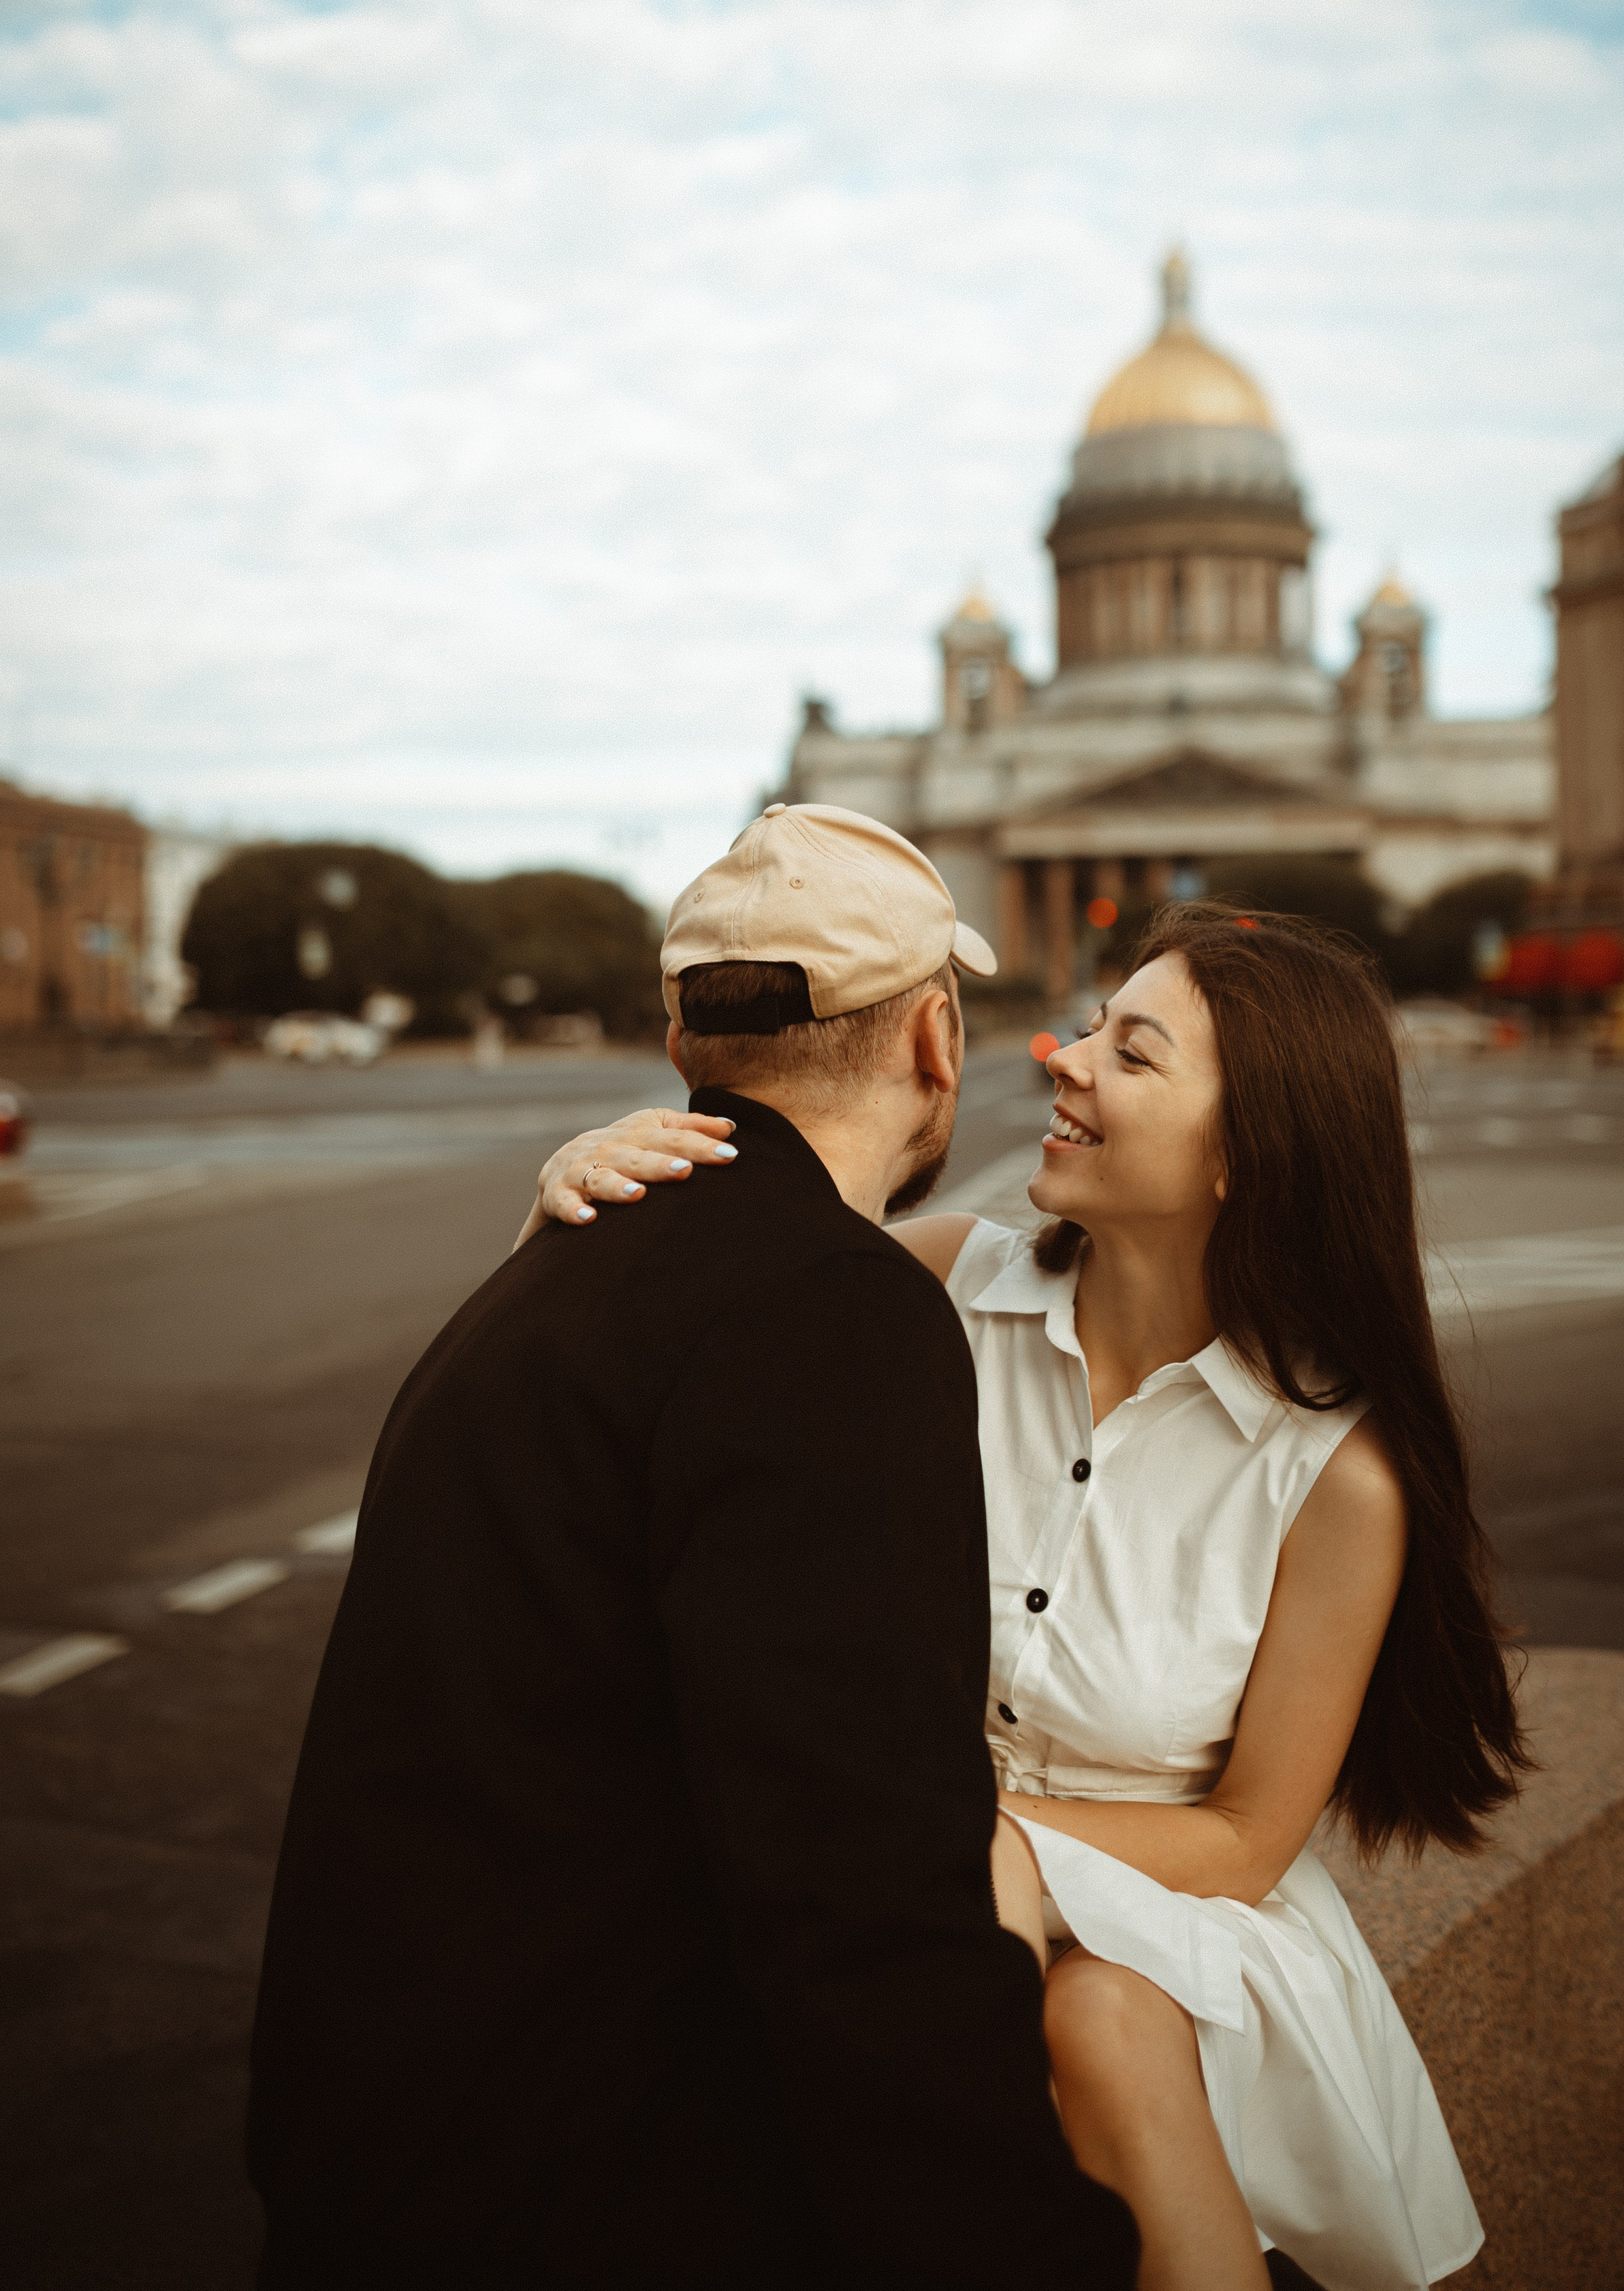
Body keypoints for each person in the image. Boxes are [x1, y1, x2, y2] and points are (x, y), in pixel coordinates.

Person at [526, 894, 1534, 2291]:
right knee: (1062, 2029)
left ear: (1248, 1152)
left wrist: (982, 1838)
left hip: (1162, 1909)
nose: (1059, 1056)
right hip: (891, 1884)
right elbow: (665, 1351)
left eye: (1131, 1053)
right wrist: (586, 1190)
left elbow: (1243, 1837)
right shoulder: (932, 1284)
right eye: (1090, 1032)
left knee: (1108, 2020)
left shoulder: (1334, 1478)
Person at [247, 803, 1139, 2291]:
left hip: (385, 2160)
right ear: (934, 1040)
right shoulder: (829, 1312)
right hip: (591, 2199)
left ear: (679, 1041)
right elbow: (858, 1886)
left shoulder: (546, 1272)